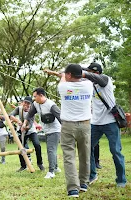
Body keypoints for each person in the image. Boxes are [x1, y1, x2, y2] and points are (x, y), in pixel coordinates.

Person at [45, 64, 93, 197]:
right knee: (85, 154)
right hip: (85, 125)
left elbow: (62, 78)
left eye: (66, 73)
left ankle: (73, 189)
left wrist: (60, 75)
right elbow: (87, 75)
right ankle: (83, 183)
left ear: (69, 75)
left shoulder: (63, 86)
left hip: (67, 126)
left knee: (69, 156)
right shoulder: (89, 85)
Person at [83, 63, 126, 187]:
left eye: (90, 72)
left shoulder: (105, 79)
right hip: (95, 123)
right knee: (87, 148)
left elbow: (89, 76)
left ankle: (121, 180)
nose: (87, 75)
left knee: (115, 150)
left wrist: (83, 73)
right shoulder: (90, 86)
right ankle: (92, 175)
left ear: (96, 73)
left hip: (110, 122)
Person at [23, 87, 62, 179]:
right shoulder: (36, 104)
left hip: (55, 130)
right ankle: (56, 168)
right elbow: (30, 114)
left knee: (50, 150)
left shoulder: (51, 105)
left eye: (35, 96)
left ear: (41, 95)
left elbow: (61, 118)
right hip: (47, 130)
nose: (34, 98)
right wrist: (24, 123)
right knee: (52, 149)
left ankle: (51, 172)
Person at [9, 96, 44, 172]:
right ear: (23, 102)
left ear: (30, 105)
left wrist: (25, 127)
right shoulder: (19, 108)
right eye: (25, 102)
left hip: (31, 131)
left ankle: (40, 163)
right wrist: (17, 121)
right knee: (20, 148)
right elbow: (10, 115)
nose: (26, 105)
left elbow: (30, 124)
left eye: (28, 103)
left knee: (37, 145)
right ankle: (23, 166)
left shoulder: (32, 111)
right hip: (21, 131)